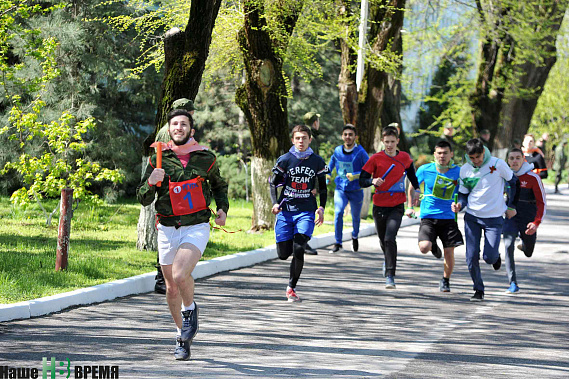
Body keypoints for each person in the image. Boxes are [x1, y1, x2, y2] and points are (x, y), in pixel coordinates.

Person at [137, 109, 229, 360]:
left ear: (191, 130)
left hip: (196, 225)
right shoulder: (158, 158)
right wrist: (151, 182)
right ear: (169, 129)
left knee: (179, 274)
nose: (179, 127)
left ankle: (190, 310)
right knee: (171, 288)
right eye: (175, 124)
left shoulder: (205, 157)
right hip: (167, 227)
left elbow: (220, 185)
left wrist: (222, 209)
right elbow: (143, 198)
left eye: (184, 124)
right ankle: (182, 336)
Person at [452, 138, 518, 302]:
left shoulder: (498, 164)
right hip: (472, 217)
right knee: (471, 256)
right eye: (471, 158)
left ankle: (495, 258)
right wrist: (460, 204)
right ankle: (478, 289)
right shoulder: (465, 169)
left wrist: (511, 206)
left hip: (494, 218)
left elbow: (514, 182)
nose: (475, 161)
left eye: (478, 157)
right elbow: (463, 193)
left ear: (483, 152)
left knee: (489, 257)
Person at [269, 124, 329, 302]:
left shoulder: (317, 161)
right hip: (286, 211)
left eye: (304, 138)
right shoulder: (285, 160)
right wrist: (275, 203)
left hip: (306, 211)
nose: (301, 141)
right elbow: (273, 183)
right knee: (283, 254)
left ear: (310, 139)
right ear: (292, 140)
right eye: (297, 138)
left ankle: (291, 287)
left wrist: (322, 207)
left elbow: (323, 187)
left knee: (299, 248)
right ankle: (282, 236)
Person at [359, 126, 421, 289]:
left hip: (396, 206)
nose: (390, 145)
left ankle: (390, 275)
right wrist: (372, 181)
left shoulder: (405, 158)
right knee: (382, 240)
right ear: (382, 142)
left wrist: (417, 191)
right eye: (386, 142)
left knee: (389, 238)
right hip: (379, 206)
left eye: (392, 142)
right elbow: (361, 180)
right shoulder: (376, 159)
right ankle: (387, 259)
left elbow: (412, 176)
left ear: (397, 141)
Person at [154, 98, 197, 294]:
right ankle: (163, 279)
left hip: (170, 185)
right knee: (168, 231)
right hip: (170, 187)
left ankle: (167, 278)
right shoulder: (171, 132)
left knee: (169, 232)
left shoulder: (168, 127)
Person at [408, 140, 463, 292]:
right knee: (424, 247)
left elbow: (465, 192)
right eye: (439, 153)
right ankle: (432, 246)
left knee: (449, 251)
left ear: (451, 154)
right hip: (428, 217)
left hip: (448, 217)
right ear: (434, 154)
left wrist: (460, 205)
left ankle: (445, 280)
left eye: (445, 153)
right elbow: (412, 186)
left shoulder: (458, 172)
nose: (442, 156)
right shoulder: (425, 169)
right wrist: (410, 206)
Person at [503, 148, 546, 294]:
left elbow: (542, 203)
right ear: (507, 161)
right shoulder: (504, 177)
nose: (514, 161)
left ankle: (525, 244)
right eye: (511, 158)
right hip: (511, 216)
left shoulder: (533, 178)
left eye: (517, 158)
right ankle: (512, 282)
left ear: (523, 159)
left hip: (528, 218)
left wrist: (536, 222)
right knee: (508, 244)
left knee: (529, 252)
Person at [327, 124, 370, 253]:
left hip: (356, 190)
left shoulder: (361, 153)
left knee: (355, 217)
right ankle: (338, 242)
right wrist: (327, 176)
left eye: (350, 135)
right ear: (342, 136)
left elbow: (369, 170)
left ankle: (355, 236)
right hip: (341, 190)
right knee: (338, 212)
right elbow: (330, 166)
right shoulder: (337, 151)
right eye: (345, 134)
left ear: (355, 137)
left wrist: (356, 175)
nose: (348, 137)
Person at [301, 111, 322, 255]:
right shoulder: (311, 140)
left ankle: (301, 241)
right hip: (307, 183)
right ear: (315, 123)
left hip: (299, 181)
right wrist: (314, 186)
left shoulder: (303, 137)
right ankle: (303, 242)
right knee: (308, 213)